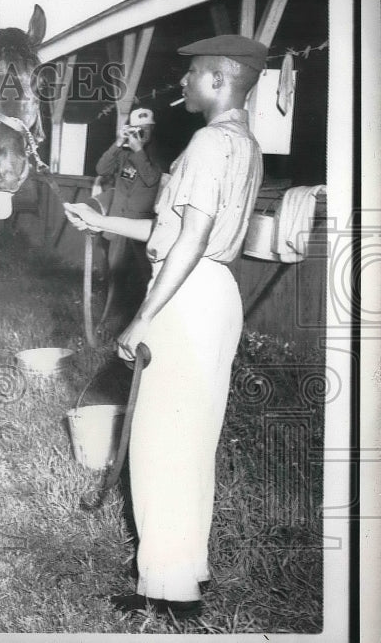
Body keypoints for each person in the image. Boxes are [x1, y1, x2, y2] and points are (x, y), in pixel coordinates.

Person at [64, 35, 266, 618]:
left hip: (185, 294)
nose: (182, 83)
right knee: (189, 440)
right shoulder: (241, 143)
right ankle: (183, 572)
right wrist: (102, 220)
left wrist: (143, 318)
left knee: (162, 445)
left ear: (220, 80)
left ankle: (169, 595)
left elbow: (193, 241)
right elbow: (171, 233)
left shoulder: (208, 141)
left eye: (193, 73)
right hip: (210, 290)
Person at [94, 107, 163, 325]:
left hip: (143, 228)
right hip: (118, 225)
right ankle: (109, 318)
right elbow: (101, 168)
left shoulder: (160, 152)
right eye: (136, 130)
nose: (141, 134)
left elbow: (152, 179)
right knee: (115, 275)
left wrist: (139, 151)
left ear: (152, 129)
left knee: (145, 278)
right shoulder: (123, 153)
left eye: (145, 129)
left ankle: (142, 321)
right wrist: (117, 142)